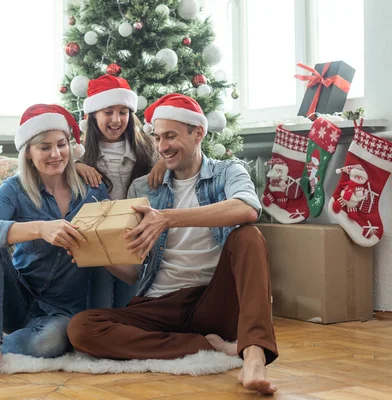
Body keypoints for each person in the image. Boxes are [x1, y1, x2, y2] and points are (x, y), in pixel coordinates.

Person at [67, 94, 279, 395]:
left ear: (198, 133)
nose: (162, 146)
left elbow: (247, 208)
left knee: (248, 236)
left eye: (170, 136)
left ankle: (254, 355)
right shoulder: (143, 187)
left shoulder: (227, 172)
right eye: (157, 137)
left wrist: (168, 218)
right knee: (81, 329)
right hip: (158, 303)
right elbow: (133, 271)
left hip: (212, 301)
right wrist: (94, 252)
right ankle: (204, 344)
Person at [0, 104, 109, 382]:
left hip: (63, 309)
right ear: (28, 152)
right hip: (18, 297)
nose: (55, 154)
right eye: (44, 147)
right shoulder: (14, 188)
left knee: (49, 343)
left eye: (61, 145)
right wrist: (41, 228)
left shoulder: (92, 190)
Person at [75, 74, 167, 308]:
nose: (116, 120)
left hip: (135, 239)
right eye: (108, 112)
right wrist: (77, 165)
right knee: (101, 304)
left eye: (123, 112)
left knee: (130, 305)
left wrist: (163, 161)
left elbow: (178, 154)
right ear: (94, 114)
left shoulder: (147, 146)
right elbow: (58, 169)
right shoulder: (80, 152)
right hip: (99, 239)